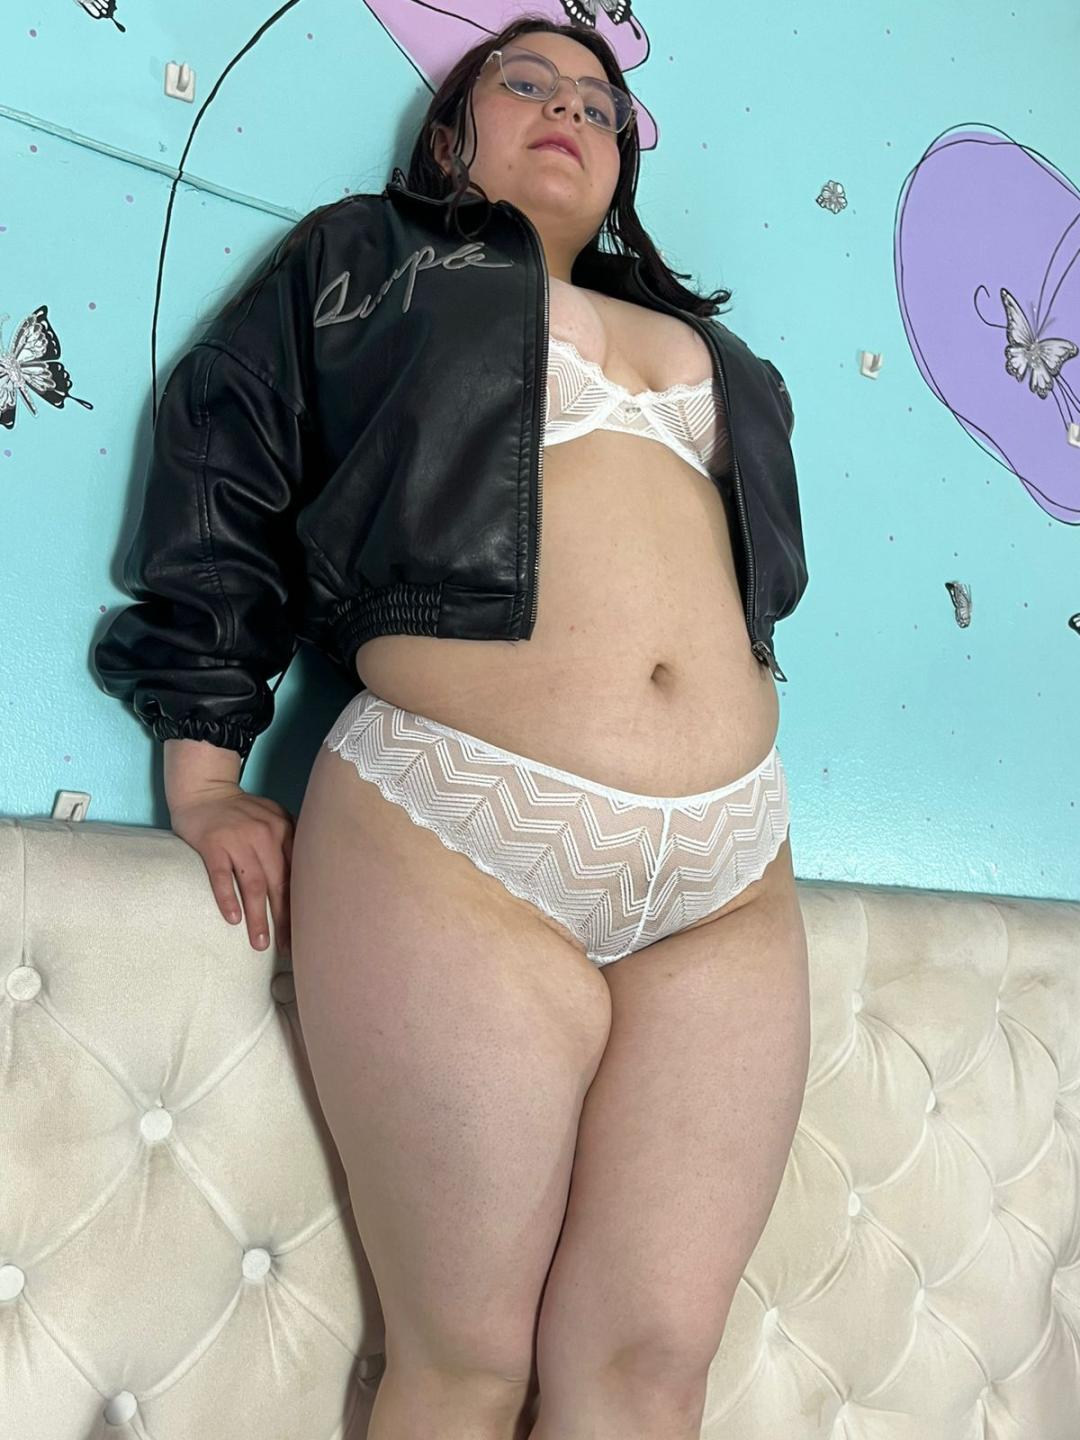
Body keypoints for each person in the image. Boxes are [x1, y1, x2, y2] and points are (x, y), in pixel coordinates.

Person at [93, 16, 810, 1440]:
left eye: (598, 104)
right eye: (522, 83)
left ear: (623, 166)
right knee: (466, 1362)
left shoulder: (719, 357)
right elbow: (225, 466)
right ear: (448, 135)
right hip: (458, 830)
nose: (565, 109)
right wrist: (203, 769)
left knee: (653, 1371)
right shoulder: (365, 263)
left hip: (731, 871)